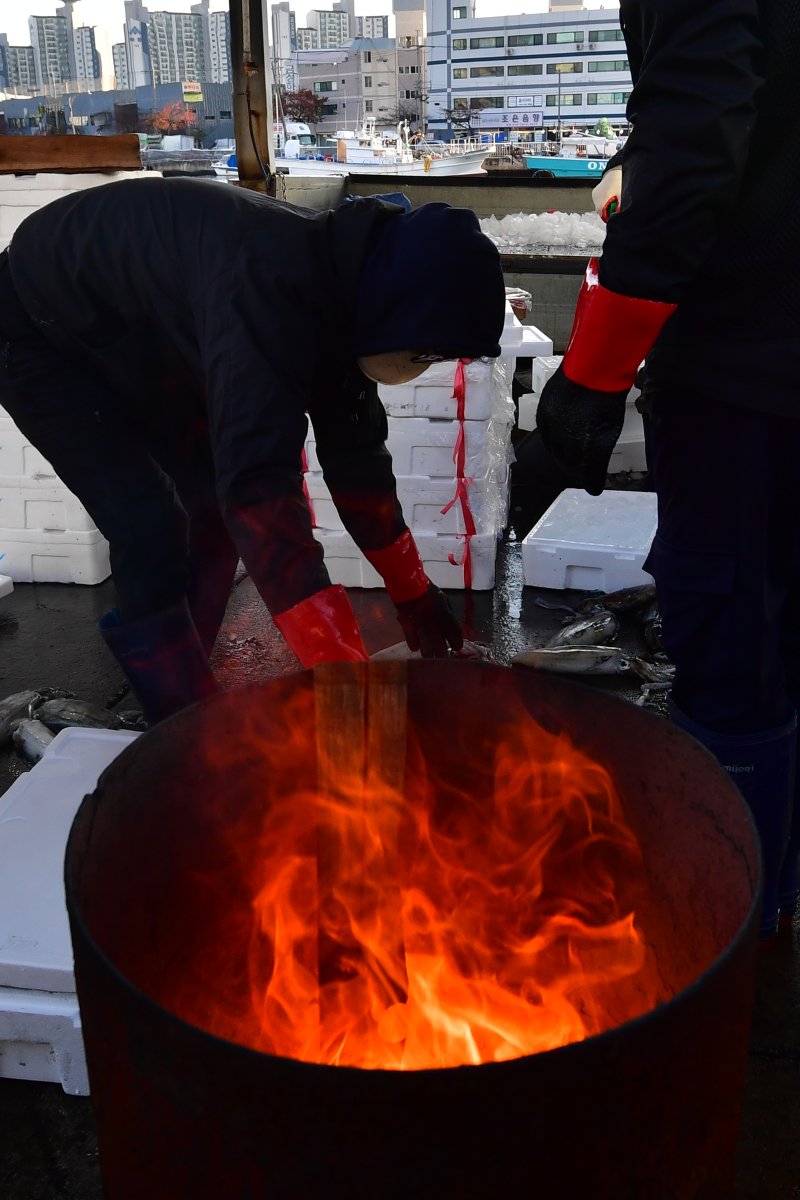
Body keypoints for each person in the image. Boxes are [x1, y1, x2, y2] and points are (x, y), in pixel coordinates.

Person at [0, 180, 505, 724]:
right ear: (401, 307)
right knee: (149, 524)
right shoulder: (266, 285)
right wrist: (344, 675)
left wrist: (413, 589)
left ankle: (185, 684)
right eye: (427, 351)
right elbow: (259, 488)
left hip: (147, 330)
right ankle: (178, 716)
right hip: (38, 328)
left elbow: (356, 458)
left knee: (211, 512)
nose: (423, 365)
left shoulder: (351, 291)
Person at [533, 0, 799, 939]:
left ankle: (721, 921)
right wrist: (626, 170)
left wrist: (593, 375)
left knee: (730, 631)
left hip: (751, 376)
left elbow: (692, 149)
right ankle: (772, 894)